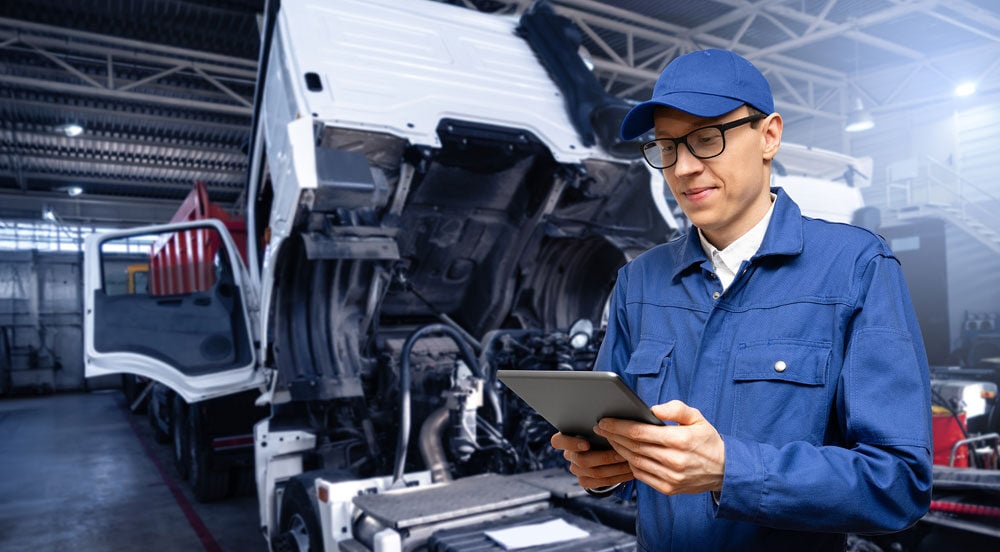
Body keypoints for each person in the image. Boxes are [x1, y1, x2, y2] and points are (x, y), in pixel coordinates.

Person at [550, 48, 932, 551]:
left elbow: (899, 483)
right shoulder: (637, 284)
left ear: (769, 135)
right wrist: (600, 467)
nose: (683, 167)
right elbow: (616, 438)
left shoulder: (856, 269)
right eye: (666, 147)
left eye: (706, 139)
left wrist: (731, 470)